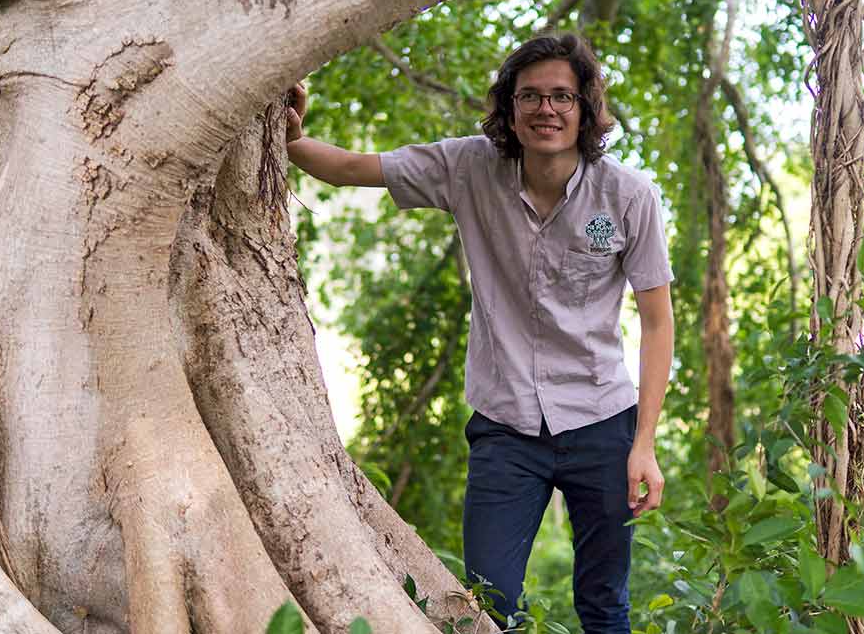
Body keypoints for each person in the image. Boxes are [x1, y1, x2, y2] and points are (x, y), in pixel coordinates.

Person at [286, 33, 674, 634]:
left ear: (586, 109)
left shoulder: (628, 196)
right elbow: (348, 170)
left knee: (604, 604)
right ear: (509, 108)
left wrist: (643, 443)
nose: (547, 109)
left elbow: (656, 319)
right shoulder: (468, 168)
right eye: (531, 96)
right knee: (487, 604)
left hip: (603, 423)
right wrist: (288, 136)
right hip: (505, 427)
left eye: (562, 97)